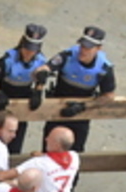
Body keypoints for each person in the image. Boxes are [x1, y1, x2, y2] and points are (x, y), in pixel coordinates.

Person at [40, 26, 115, 155]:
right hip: (58, 110)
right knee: (49, 149)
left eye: (88, 48)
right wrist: (42, 74)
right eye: (82, 46)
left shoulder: (104, 68)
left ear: (98, 48)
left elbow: (108, 96)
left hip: (81, 115)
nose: (83, 50)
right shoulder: (68, 56)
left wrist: (84, 106)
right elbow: (47, 67)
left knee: (75, 153)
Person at [0, 24, 49, 154]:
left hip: (22, 105)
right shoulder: (7, 60)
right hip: (4, 102)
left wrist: (38, 91)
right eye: (26, 48)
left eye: (33, 50)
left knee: (15, 145)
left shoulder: (40, 62)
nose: (29, 53)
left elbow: (41, 79)